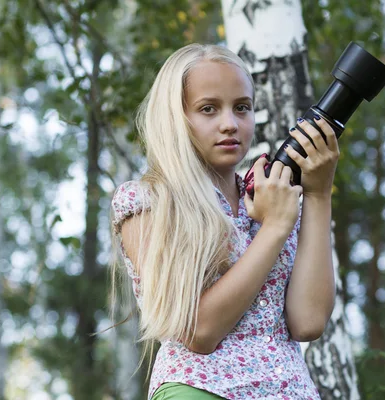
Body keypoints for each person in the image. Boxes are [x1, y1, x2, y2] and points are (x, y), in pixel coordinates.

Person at [109, 43, 339, 400]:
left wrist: (318, 195)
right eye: (208, 109)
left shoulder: (269, 198)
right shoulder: (148, 202)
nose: (230, 124)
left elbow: (308, 322)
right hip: (202, 389)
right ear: (175, 118)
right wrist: (275, 229)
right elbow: (199, 330)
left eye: (242, 108)